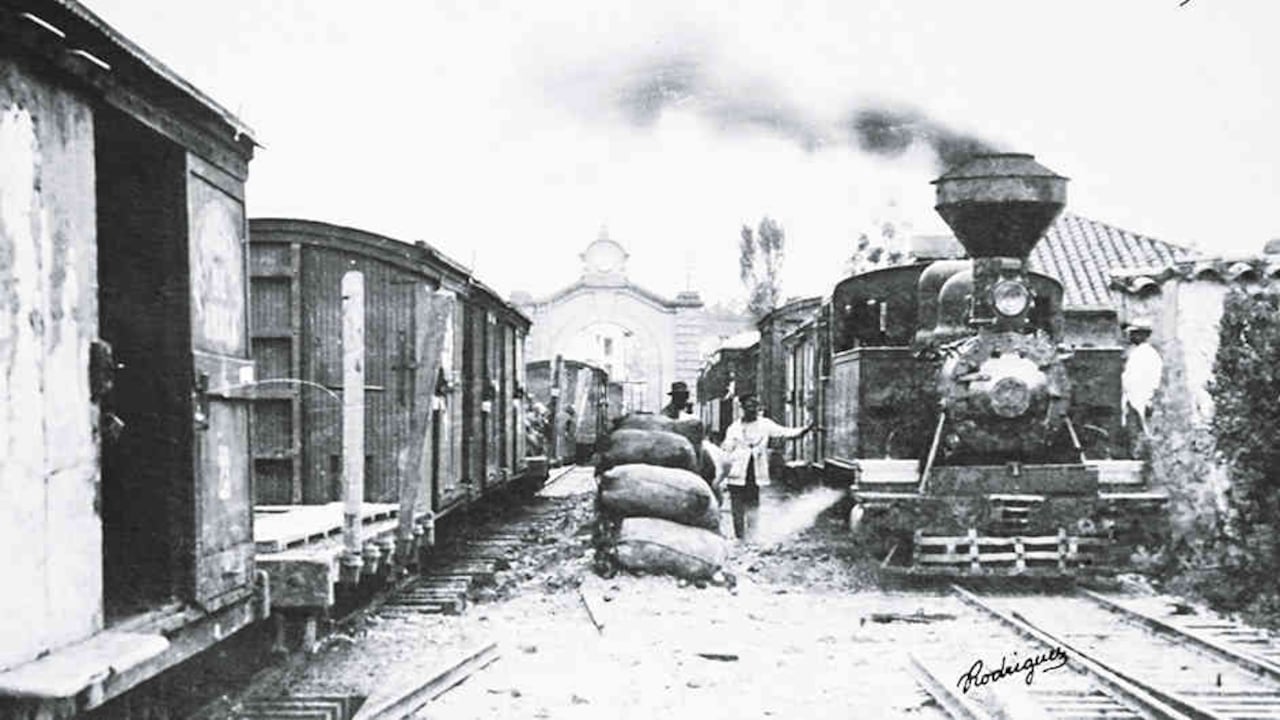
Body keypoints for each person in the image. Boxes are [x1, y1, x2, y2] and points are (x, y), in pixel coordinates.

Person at [719, 395, 812, 542]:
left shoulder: (765, 424)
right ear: (742, 408)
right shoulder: (734, 428)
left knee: (753, 503)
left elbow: (785, 432)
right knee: (736, 505)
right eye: (749, 406)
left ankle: (751, 535)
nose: (753, 409)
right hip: (737, 471)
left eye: (755, 405)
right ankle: (739, 536)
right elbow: (726, 449)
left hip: (755, 471)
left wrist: (804, 430)